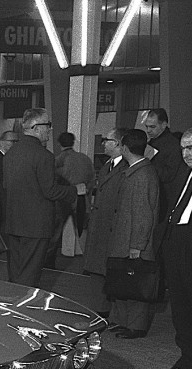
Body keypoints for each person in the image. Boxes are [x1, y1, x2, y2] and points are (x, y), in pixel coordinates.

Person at [3, 108, 78, 287]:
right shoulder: (44, 156)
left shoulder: (10, 154)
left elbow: (6, 186)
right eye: (48, 125)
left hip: (14, 222)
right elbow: (50, 191)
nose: (50, 130)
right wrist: (73, 191)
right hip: (36, 226)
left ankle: (13, 303)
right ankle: (25, 304)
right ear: (36, 128)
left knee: (15, 273)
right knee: (29, 275)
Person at [105, 129, 160, 340]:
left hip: (133, 240)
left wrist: (137, 244)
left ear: (125, 148)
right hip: (125, 238)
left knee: (137, 282)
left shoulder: (142, 175)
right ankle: (122, 320)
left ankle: (136, 325)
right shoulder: (138, 171)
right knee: (123, 280)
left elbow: (144, 214)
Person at [155, 127, 192, 369]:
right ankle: (187, 361)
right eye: (183, 148)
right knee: (181, 308)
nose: (186, 153)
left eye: (191, 148)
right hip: (176, 245)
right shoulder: (185, 172)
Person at [82, 128, 127, 319]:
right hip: (99, 224)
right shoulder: (107, 165)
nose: (103, 144)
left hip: (110, 226)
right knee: (97, 269)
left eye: (106, 140)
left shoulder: (126, 168)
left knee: (108, 270)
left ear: (117, 143)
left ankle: (107, 309)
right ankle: (98, 307)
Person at [53, 131, 95, 262]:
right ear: (73, 142)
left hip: (63, 200)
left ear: (59, 144)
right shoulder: (85, 159)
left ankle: (49, 263)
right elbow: (92, 179)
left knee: (56, 232)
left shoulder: (58, 160)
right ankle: (88, 262)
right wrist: (86, 190)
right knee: (82, 231)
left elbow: (54, 180)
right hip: (82, 199)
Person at [144, 108, 187, 221]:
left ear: (163, 125)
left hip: (164, 201)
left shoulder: (173, 145)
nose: (148, 130)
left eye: (152, 127)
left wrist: (148, 163)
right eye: (146, 127)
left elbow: (169, 175)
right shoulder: (151, 142)